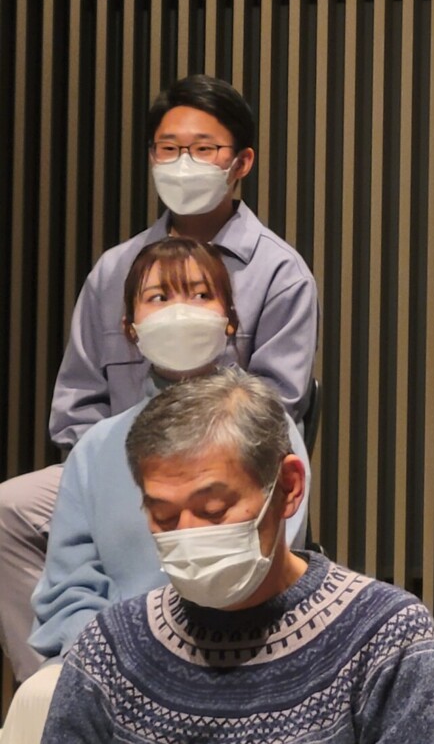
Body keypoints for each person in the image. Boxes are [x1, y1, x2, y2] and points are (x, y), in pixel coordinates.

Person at [0, 74, 319, 681]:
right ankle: (58, 677)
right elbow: (77, 402)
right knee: (10, 509)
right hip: (115, 460)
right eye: (169, 149)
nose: (184, 162)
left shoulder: (280, 271)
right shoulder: (114, 269)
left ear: (241, 161)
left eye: (203, 148)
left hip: (228, 462)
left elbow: (277, 405)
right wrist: (113, 474)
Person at [0, 239, 314, 744]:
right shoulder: (95, 448)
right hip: (119, 660)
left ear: (229, 319)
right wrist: (122, 656)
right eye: (159, 297)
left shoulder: (268, 430)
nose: (180, 311)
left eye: (200, 294)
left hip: (251, 656)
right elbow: (67, 590)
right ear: (130, 326)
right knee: (39, 696)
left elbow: (271, 567)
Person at [40, 370, 434, 744]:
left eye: (213, 509)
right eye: (163, 515)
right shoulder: (111, 648)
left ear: (288, 487)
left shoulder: (383, 635)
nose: (187, 533)